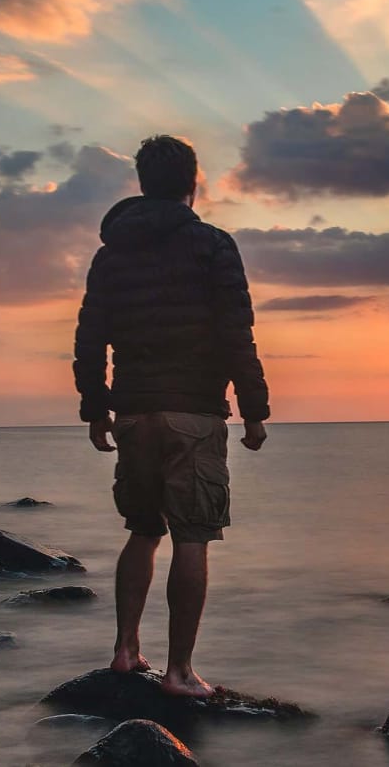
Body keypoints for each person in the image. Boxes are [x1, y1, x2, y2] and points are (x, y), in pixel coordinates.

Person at [73, 134, 270, 699]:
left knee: (141, 531)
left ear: (141, 183)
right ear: (193, 181)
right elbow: (237, 331)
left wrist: (95, 406)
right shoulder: (212, 245)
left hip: (133, 413)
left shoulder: (112, 255)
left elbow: (91, 336)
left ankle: (125, 650)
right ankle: (179, 672)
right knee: (192, 537)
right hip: (193, 413)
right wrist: (254, 411)